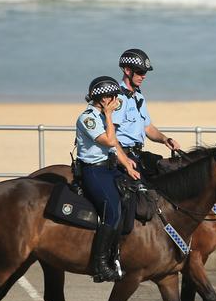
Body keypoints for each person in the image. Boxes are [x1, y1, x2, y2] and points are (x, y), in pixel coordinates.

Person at [76, 76, 140, 282]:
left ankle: (117, 253)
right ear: (102, 99)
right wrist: (110, 115)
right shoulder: (88, 118)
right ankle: (100, 264)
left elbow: (115, 146)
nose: (115, 100)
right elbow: (110, 140)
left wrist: (126, 163)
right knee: (111, 211)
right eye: (112, 96)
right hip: (93, 171)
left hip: (108, 167)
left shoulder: (103, 116)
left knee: (132, 195)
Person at [115, 48, 181, 177]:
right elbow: (110, 134)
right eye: (140, 72)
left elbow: (148, 128)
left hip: (137, 154)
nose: (143, 76)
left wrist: (165, 139)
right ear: (127, 70)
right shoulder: (117, 98)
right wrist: (124, 160)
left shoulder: (138, 96)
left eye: (144, 72)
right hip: (121, 156)